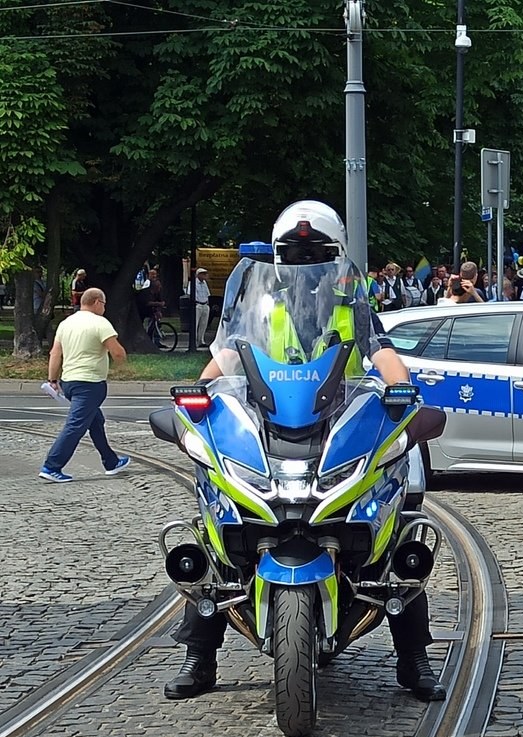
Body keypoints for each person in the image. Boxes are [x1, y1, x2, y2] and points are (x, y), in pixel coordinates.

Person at [173, 200, 445, 704]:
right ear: (277, 256)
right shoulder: (261, 301)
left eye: (314, 252)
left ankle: (414, 660)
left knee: (398, 530)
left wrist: (405, 394)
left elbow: (377, 346)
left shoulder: (349, 297)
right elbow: (231, 349)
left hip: (334, 421)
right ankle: (199, 655)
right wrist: (199, 394)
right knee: (214, 523)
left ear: (335, 253)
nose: (303, 262)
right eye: (294, 254)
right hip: (270, 419)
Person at [40, 288, 130, 483]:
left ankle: (111, 461)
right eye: (104, 304)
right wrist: (124, 365)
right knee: (75, 426)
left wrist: (52, 380)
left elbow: (55, 354)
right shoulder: (100, 323)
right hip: (90, 384)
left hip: (69, 382)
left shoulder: (66, 323)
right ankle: (52, 466)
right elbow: (118, 353)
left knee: (95, 422)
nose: (105, 309)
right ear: (97, 302)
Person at [187, 268, 212, 343]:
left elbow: (207, 294)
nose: (205, 275)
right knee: (196, 323)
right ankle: (194, 341)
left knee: (204, 324)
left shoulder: (205, 283)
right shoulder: (193, 283)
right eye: (203, 274)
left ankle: (201, 340)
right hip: (197, 304)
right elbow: (190, 294)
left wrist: (207, 303)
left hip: (205, 304)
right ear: (198, 275)